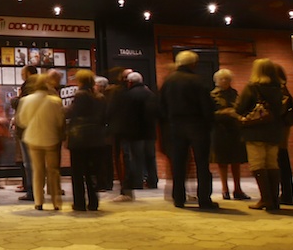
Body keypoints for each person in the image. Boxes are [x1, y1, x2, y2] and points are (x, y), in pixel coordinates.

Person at [159, 51, 218, 210]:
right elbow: (206, 106)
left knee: (178, 163)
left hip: (175, 125)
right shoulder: (197, 80)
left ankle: (178, 198)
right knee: (202, 163)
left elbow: (161, 105)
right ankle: (204, 199)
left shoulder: (169, 81)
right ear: (193, 64)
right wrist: (209, 123)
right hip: (197, 125)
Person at [235, 58, 286, 211]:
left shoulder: (252, 88)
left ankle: (265, 199)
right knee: (272, 164)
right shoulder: (279, 88)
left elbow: (240, 108)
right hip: (274, 132)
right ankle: (274, 200)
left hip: (255, 131)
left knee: (257, 164)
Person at [15, 73, 66, 211]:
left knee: (37, 170)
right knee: (53, 171)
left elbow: (22, 121)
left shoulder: (25, 100)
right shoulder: (55, 101)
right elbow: (59, 121)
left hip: (33, 138)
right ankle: (56, 201)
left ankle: (39, 201)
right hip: (51, 138)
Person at [107, 71, 159, 202]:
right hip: (150, 131)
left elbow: (127, 115)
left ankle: (138, 182)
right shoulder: (150, 94)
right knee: (150, 157)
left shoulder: (129, 96)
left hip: (135, 132)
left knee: (136, 158)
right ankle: (153, 181)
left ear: (130, 82)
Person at [65, 69, 108, 211]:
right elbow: (104, 117)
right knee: (92, 172)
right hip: (96, 138)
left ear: (80, 80)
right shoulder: (100, 97)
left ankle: (79, 203)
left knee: (78, 173)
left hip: (80, 138)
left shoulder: (80, 95)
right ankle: (93, 201)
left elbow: (72, 112)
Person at [210, 69, 250, 201]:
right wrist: (225, 112)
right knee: (222, 161)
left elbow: (241, 108)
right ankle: (225, 189)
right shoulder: (212, 95)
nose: (225, 81)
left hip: (235, 130)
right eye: (222, 79)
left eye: (227, 79)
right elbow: (209, 114)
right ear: (217, 81)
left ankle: (238, 189)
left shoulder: (235, 94)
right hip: (220, 131)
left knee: (236, 161)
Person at [11, 66, 39, 201]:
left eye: (23, 73)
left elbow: (22, 104)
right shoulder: (44, 89)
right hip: (38, 128)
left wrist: (15, 99)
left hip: (27, 129)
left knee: (29, 162)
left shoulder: (29, 87)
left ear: (28, 73)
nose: (22, 75)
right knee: (36, 162)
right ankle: (37, 190)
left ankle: (33, 192)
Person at [274, 64, 293, 203]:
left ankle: (285, 195)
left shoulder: (279, 89)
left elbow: (279, 109)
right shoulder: (284, 87)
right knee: (283, 159)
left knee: (280, 161)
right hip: (283, 127)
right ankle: (287, 194)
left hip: (279, 128)